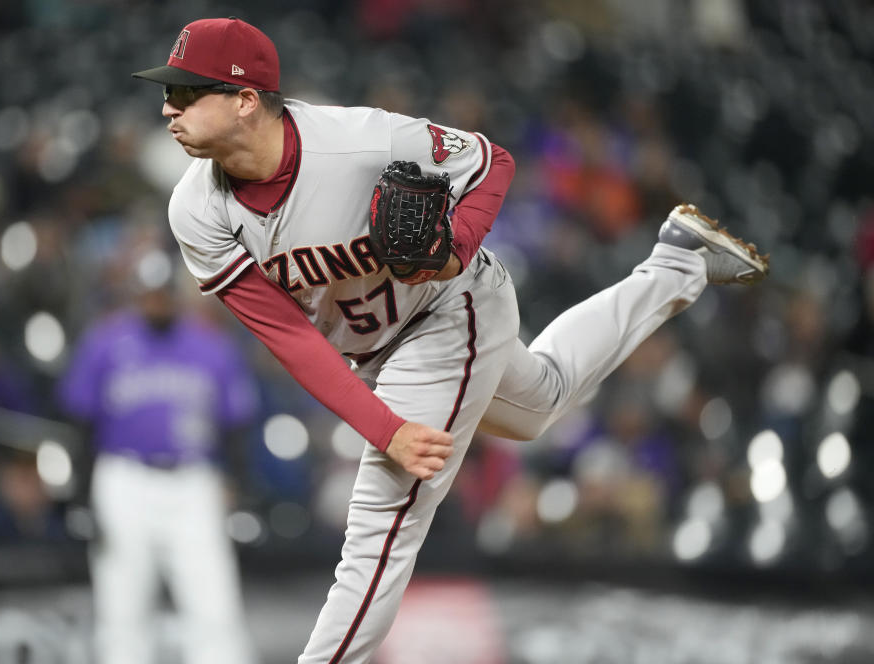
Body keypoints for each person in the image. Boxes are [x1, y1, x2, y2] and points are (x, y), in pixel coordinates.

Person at [131, 17, 769, 663]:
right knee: (540, 401)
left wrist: (453, 249)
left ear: (245, 99)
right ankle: (678, 262)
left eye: (186, 93)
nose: (167, 107)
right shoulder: (196, 210)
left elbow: (492, 160)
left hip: (447, 308)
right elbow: (291, 336)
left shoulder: (358, 141)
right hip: (378, 348)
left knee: (381, 528)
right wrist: (385, 426)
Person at [58, 248, 261, 664]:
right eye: (148, 292)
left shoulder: (210, 346)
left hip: (193, 481)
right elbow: (81, 423)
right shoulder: (106, 341)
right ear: (136, 293)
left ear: (175, 293)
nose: (156, 300)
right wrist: (80, 495)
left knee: (214, 608)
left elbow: (235, 425)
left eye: (163, 292)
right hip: (124, 478)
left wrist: (240, 486)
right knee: (122, 611)